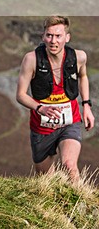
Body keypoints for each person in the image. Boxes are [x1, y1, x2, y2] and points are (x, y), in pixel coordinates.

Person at [16, 15, 94, 182]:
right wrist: (40, 108)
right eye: (49, 35)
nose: (53, 41)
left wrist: (86, 105)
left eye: (58, 36)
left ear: (67, 37)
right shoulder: (32, 59)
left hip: (70, 122)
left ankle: (80, 204)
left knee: (70, 165)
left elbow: (83, 76)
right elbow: (20, 95)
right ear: (43, 36)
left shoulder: (79, 57)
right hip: (42, 126)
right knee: (45, 180)